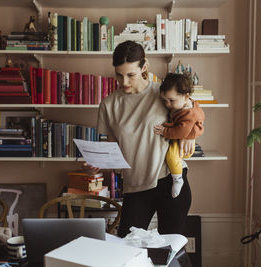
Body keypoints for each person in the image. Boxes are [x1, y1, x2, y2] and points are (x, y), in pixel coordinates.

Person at [84, 40, 195, 238]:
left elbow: (191, 110)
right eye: (119, 75)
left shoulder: (163, 93)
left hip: (169, 181)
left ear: (144, 67)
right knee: (126, 246)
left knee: (170, 251)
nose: (124, 82)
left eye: (130, 75)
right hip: (135, 186)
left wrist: (191, 135)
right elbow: (111, 147)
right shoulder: (109, 105)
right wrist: (97, 163)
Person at [153, 73, 205, 198]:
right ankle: (179, 164)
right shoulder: (184, 104)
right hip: (183, 138)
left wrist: (165, 131)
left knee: (171, 155)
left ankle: (177, 179)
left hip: (185, 143)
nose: (168, 104)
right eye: (165, 100)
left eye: (171, 100)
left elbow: (181, 132)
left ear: (186, 96)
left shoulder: (187, 113)